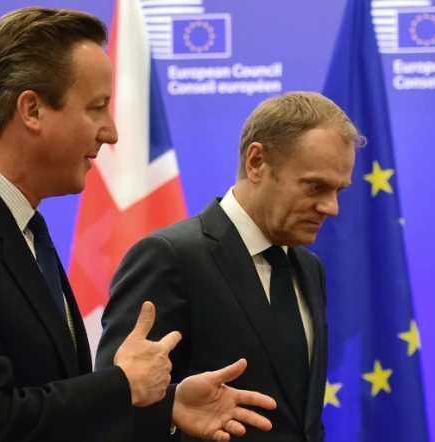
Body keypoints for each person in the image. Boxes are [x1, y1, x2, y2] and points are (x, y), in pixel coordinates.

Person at [0, 7, 276, 442]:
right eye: (96, 108)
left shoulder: (21, 226)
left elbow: (47, 401)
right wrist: (121, 385)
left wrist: (162, 405)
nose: (111, 133)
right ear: (32, 110)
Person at [96, 91, 363, 441]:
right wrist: (171, 413)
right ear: (256, 163)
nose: (331, 208)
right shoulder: (170, 257)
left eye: (338, 191)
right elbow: (111, 408)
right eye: (316, 187)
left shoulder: (310, 269)